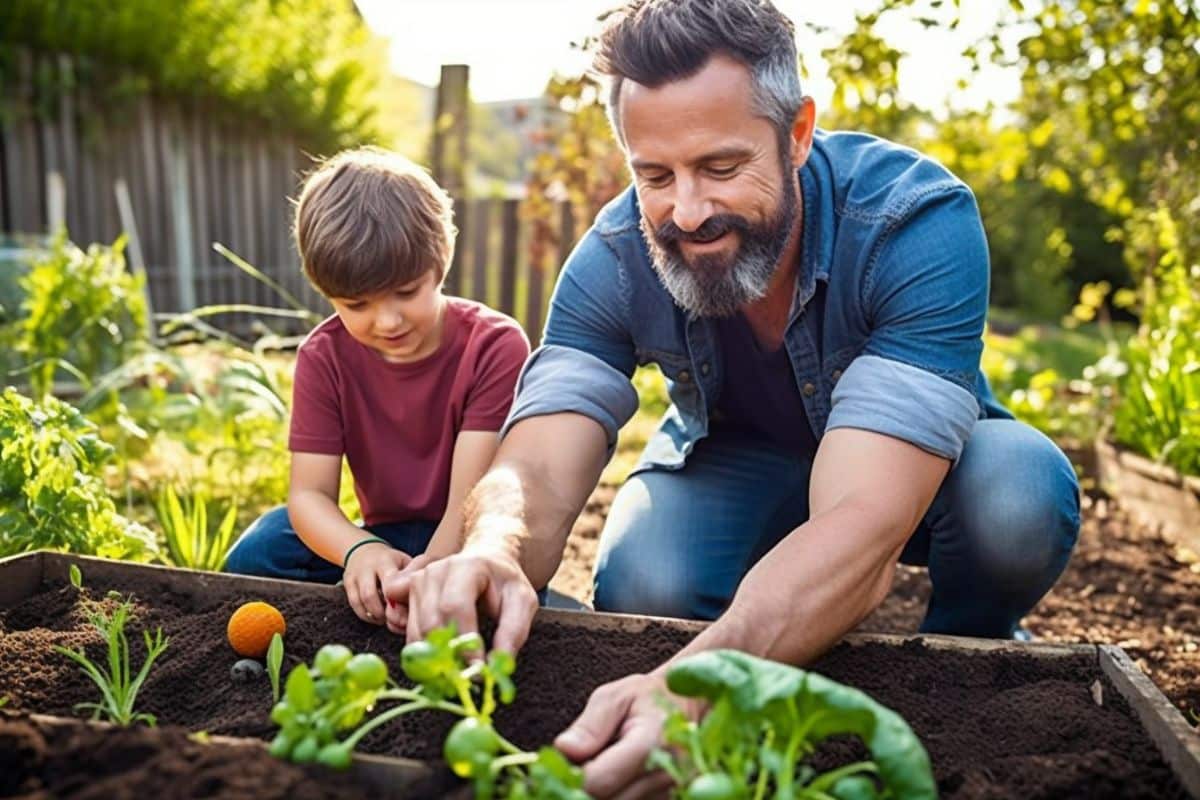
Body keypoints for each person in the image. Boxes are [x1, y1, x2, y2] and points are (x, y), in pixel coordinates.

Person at [384, 0, 1081, 794]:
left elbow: (867, 517)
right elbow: (537, 465)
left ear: (796, 132)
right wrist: (494, 548)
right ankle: (773, 620)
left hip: (917, 475)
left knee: (1017, 499)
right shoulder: (613, 257)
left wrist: (705, 680)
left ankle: (967, 656)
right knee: (647, 584)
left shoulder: (913, 222)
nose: (686, 212)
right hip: (738, 459)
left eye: (720, 168)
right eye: (654, 175)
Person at [225, 147, 530, 626]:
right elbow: (309, 496)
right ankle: (377, 590)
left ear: (441, 261)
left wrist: (430, 578)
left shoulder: (493, 345)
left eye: (406, 292)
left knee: (509, 592)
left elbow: (468, 500)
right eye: (356, 304)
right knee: (261, 551)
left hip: (472, 536)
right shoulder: (323, 357)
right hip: (383, 536)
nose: (386, 321)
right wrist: (361, 552)